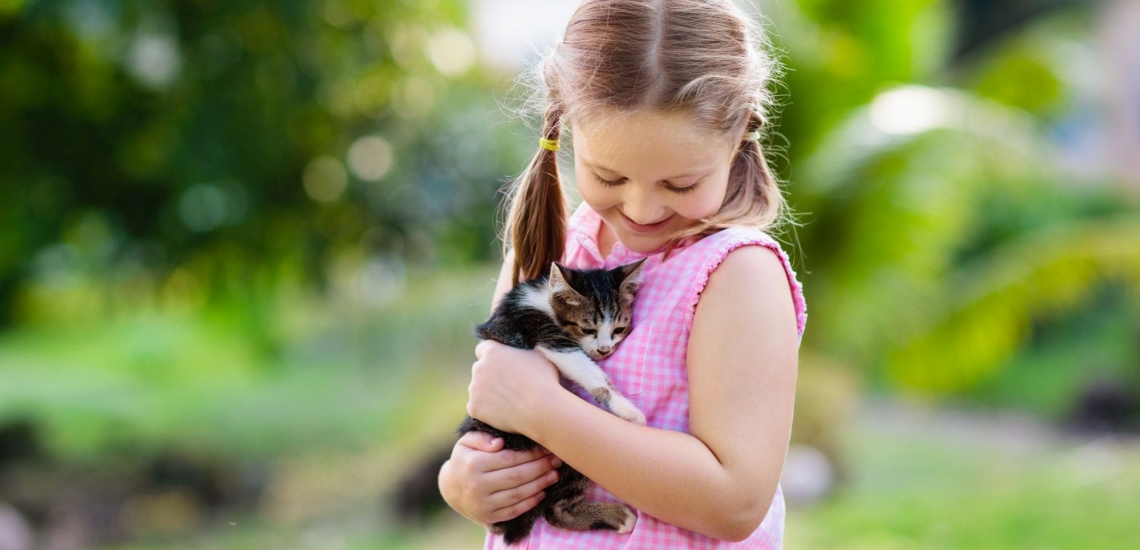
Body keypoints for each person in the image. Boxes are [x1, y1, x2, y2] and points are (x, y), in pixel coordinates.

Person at [438, 0, 807, 547]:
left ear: (738, 135)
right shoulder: (550, 251)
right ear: (566, 126)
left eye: (679, 184)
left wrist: (543, 410)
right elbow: (495, 417)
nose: (641, 209)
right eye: (609, 175)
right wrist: (466, 481)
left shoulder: (736, 274)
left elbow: (735, 502)